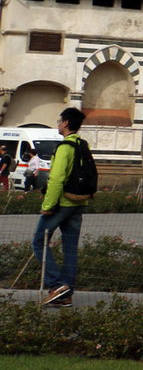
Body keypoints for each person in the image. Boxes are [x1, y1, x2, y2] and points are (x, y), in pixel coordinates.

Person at [33, 107, 88, 307]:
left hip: (62, 203)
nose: (58, 124)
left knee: (39, 242)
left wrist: (48, 205)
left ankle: (56, 285)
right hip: (79, 203)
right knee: (70, 248)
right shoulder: (83, 145)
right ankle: (65, 295)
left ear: (65, 123)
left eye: (59, 121)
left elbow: (56, 179)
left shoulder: (65, 147)